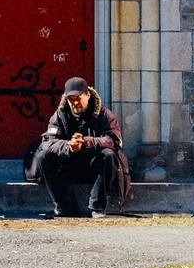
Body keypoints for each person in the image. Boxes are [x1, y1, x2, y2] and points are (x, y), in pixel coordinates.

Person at [35, 76, 130, 218]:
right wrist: (69, 146)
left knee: (108, 154)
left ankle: (97, 207)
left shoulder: (104, 115)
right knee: (43, 156)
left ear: (87, 95)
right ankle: (64, 207)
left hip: (94, 167)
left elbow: (114, 140)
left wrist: (87, 143)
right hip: (69, 165)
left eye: (78, 98)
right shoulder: (60, 115)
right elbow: (48, 140)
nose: (74, 103)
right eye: (71, 99)